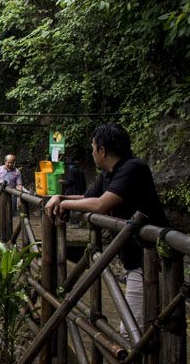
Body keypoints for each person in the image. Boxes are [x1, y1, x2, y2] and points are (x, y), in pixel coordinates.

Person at [46, 123, 169, 333]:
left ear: (102, 150)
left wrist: (64, 205)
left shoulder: (133, 168)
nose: (92, 152)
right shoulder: (108, 174)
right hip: (135, 260)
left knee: (132, 331)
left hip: (149, 262)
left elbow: (100, 205)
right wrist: (60, 197)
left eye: (93, 148)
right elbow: (87, 198)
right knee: (145, 328)